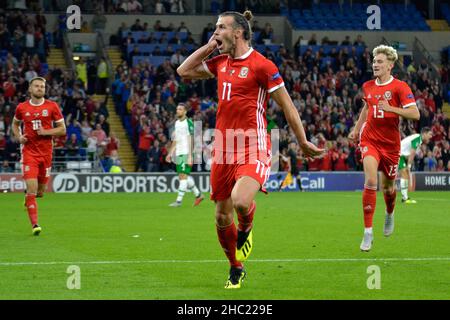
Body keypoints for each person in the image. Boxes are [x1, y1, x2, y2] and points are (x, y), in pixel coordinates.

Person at [177, 10, 324, 289]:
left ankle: (246, 227)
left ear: (238, 33)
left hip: (253, 145)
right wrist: (209, 46)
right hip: (223, 147)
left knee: (241, 202)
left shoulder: (262, 66)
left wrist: (302, 140)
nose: (216, 31)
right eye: (215, 28)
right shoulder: (220, 62)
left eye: (221, 28)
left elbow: (288, 106)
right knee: (221, 215)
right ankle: (236, 267)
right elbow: (183, 71)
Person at [348, 45, 420, 252]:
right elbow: (366, 108)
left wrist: (391, 109)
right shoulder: (368, 86)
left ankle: (389, 213)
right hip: (370, 139)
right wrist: (356, 129)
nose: (375, 64)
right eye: (374, 61)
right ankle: (368, 232)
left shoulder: (400, 87)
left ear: (390, 65)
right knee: (371, 181)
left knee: (388, 188)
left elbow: (415, 114)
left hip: (390, 145)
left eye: (379, 62)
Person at [11, 77, 66, 235]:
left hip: (46, 153)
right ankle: (35, 225)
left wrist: (46, 132)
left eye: (42, 86)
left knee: (40, 192)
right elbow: (15, 124)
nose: (40, 88)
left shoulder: (52, 106)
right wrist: (19, 137)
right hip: (29, 153)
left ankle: (28, 197)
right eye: (37, 86)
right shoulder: (22, 107)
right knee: (32, 189)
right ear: (30, 88)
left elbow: (62, 129)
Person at [166, 103, 204, 207]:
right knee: (183, 176)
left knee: (183, 177)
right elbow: (176, 139)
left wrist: (191, 156)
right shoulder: (177, 123)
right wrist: (170, 153)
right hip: (179, 152)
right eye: (177, 109)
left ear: (185, 111)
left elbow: (191, 139)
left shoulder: (189, 122)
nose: (178, 111)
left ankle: (178, 201)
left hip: (186, 152)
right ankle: (198, 195)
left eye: (180, 109)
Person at [399, 127, 433, 203]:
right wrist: (409, 166)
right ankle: (404, 198)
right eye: (430, 134)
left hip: (401, 155)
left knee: (405, 175)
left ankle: (405, 197)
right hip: (398, 154)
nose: (431, 136)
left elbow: (409, 152)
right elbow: (412, 153)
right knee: (404, 174)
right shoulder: (418, 138)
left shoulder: (418, 139)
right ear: (424, 133)